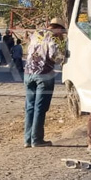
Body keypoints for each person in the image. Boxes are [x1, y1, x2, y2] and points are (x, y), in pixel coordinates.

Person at [23, 18, 66, 148]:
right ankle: (37, 139)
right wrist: (64, 57)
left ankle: (27, 139)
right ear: (58, 28)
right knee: (40, 108)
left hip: (28, 74)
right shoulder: (52, 38)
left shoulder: (36, 34)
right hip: (44, 75)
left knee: (30, 107)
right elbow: (54, 56)